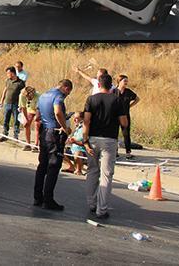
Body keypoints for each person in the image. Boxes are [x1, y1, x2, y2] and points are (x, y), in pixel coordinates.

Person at [84, 74, 129, 220]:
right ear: (111, 86)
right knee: (106, 175)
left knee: (92, 171)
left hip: (92, 140)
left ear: (99, 85)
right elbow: (124, 123)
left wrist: (85, 140)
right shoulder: (117, 100)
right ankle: (101, 209)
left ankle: (91, 203)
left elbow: (86, 121)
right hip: (109, 140)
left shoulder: (91, 99)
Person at [33, 79, 73, 211]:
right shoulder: (58, 96)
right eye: (69, 92)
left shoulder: (43, 95)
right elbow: (57, 111)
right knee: (53, 167)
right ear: (66, 88)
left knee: (42, 166)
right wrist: (64, 127)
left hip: (44, 133)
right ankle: (48, 200)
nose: (67, 95)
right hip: (54, 133)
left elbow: (37, 116)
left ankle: (37, 197)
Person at [112, 75, 139, 160]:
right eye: (124, 81)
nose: (126, 83)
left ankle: (128, 153)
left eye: (127, 81)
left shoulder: (128, 92)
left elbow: (137, 99)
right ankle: (115, 152)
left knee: (126, 134)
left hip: (125, 115)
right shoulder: (113, 91)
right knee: (114, 133)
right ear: (119, 81)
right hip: (115, 115)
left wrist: (130, 106)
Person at [0, 66, 25, 141]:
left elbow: (23, 94)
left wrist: (21, 105)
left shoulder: (21, 83)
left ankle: (16, 134)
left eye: (8, 73)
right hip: (7, 103)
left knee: (16, 120)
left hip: (16, 104)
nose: (7, 75)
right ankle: (5, 134)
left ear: (13, 73)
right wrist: (1, 101)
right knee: (6, 119)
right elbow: (5, 90)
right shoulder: (7, 81)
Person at [18, 86, 40, 152]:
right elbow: (23, 108)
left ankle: (36, 146)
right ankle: (28, 144)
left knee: (37, 125)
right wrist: (26, 118)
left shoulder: (38, 96)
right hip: (29, 109)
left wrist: (37, 117)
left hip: (38, 110)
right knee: (26, 125)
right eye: (27, 97)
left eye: (30, 97)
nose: (28, 98)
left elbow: (38, 109)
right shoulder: (21, 96)